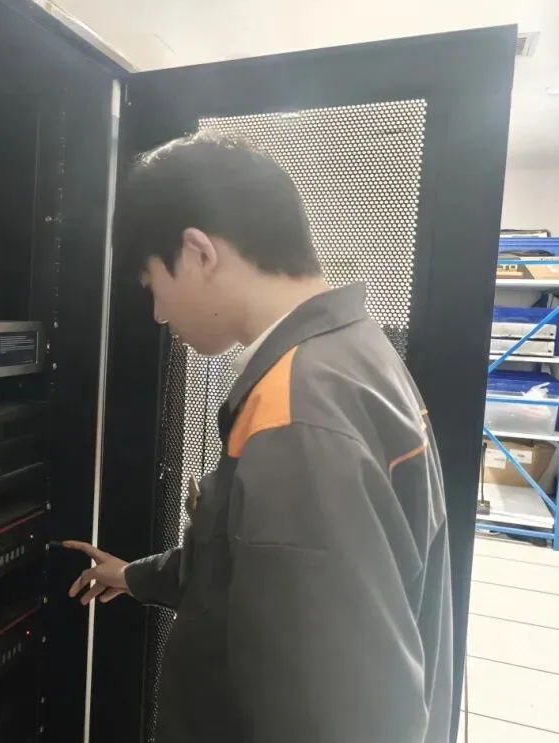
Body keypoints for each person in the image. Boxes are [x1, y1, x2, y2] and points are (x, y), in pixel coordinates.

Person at [64, 132, 452, 743]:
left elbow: (335, 712)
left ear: (198, 252)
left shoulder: (296, 410)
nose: (159, 313)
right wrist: (135, 576)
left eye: (151, 282)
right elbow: (248, 563)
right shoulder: (352, 354)